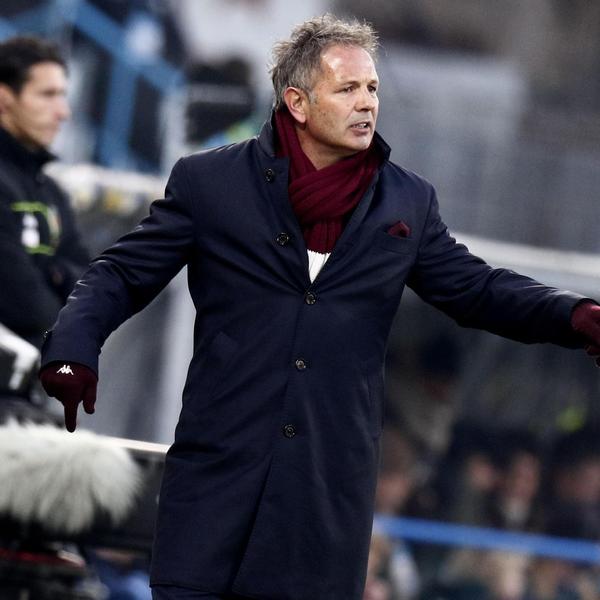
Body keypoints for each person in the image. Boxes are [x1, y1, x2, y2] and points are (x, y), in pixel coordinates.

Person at [38, 14, 600, 600]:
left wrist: (575, 315)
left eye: (372, 88)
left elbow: (478, 289)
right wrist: (74, 346)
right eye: (347, 88)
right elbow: (121, 272)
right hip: (215, 497)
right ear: (297, 103)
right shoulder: (211, 183)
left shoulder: (407, 201)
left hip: (325, 509)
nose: (367, 103)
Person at [0, 35, 88, 417]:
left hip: (26, 396)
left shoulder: (50, 190)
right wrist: (54, 278)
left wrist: (58, 276)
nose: (63, 112)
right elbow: (21, 301)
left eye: (63, 96)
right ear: (5, 98)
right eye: (47, 95)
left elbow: (88, 285)